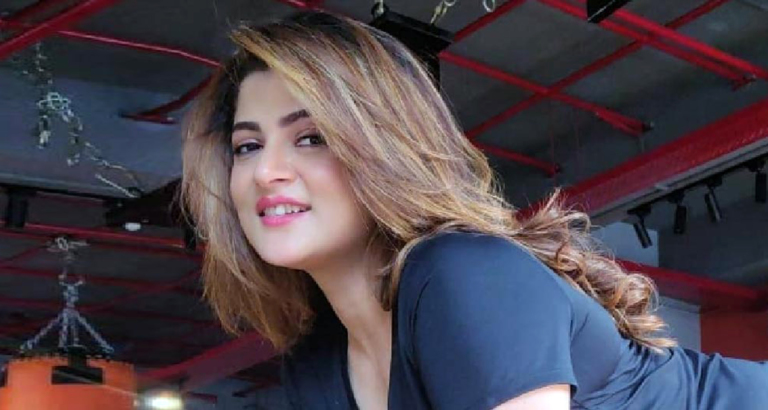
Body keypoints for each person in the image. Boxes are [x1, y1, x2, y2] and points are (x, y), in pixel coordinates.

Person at [179, 10, 768, 410]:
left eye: (311, 138)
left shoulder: (460, 275)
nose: (266, 171)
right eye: (247, 146)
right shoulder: (316, 363)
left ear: (385, 147)